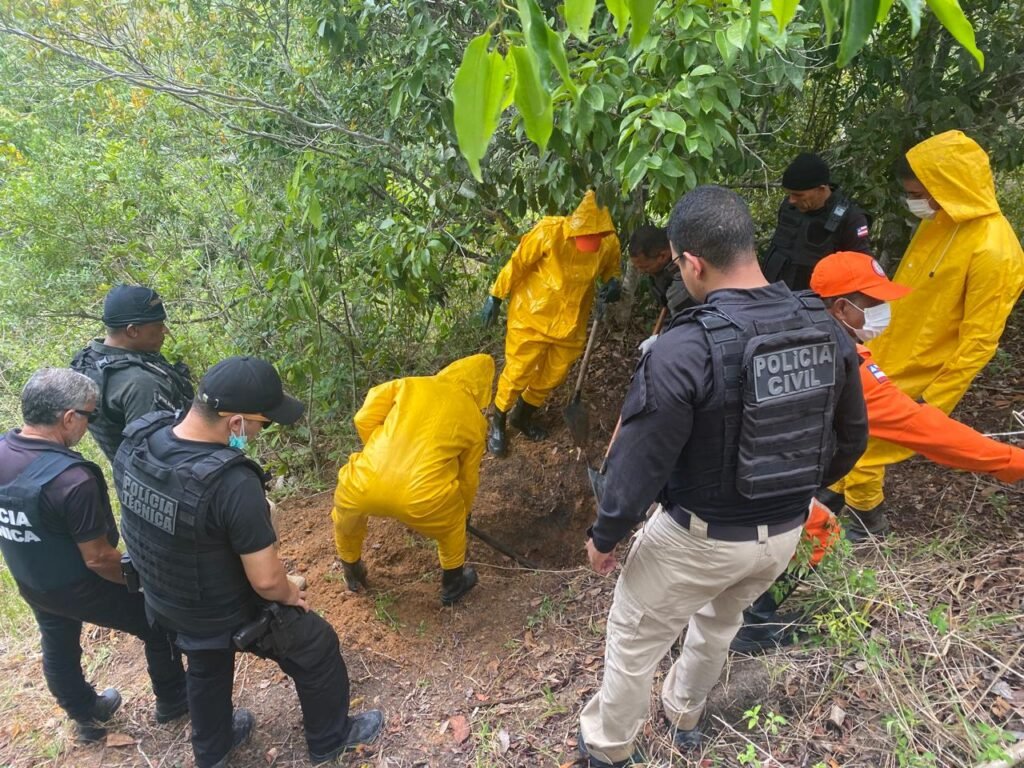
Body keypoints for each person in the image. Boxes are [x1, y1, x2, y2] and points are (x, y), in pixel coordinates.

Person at [577, 185, 868, 767]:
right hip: (782, 534)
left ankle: (608, 749)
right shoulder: (826, 326)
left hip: (698, 537)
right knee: (719, 624)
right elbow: (852, 438)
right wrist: (794, 490)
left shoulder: (682, 350)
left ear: (692, 262)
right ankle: (684, 716)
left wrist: (605, 536)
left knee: (633, 641)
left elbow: (639, 464)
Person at [732, 251, 1024, 652]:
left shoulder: (784, 315)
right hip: (750, 480)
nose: (883, 312)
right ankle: (751, 625)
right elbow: (929, 431)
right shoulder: (845, 364)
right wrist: (1012, 461)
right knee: (820, 529)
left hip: (727, 462)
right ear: (841, 308)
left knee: (812, 504)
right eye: (872, 303)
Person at [113, 356, 382, 768]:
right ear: (235, 422)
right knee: (316, 644)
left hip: (164, 598)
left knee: (205, 661)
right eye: (263, 424)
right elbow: (267, 582)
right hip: (221, 609)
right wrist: (290, 593)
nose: (260, 433)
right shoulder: (231, 482)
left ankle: (213, 751)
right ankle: (331, 741)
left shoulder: (139, 440)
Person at [831, 130, 1024, 538]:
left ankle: (865, 521)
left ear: (949, 186)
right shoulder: (941, 220)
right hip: (886, 347)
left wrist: (936, 401)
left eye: (919, 194)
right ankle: (833, 501)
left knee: (868, 442)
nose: (916, 202)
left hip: (925, 368)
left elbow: (979, 341)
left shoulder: (995, 251)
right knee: (846, 426)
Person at [0, 368, 187, 743]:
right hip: (80, 584)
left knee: (57, 642)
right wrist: (147, 581)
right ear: (69, 418)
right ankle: (174, 701)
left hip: (32, 579)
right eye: (90, 414)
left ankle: (86, 714)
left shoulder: (5, 450)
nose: (90, 423)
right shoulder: (71, 480)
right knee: (157, 623)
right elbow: (99, 559)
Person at [331, 354, 494, 605]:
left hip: (362, 482)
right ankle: (453, 584)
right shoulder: (475, 420)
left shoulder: (410, 385)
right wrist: (464, 512)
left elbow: (362, 418)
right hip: (423, 499)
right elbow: (467, 477)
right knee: (452, 527)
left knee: (346, 520)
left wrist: (378, 452)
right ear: (482, 389)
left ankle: (352, 572)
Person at [481, 190, 622, 457]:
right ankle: (498, 420)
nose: (591, 241)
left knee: (553, 375)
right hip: (532, 315)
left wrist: (613, 283)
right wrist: (495, 295)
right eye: (586, 235)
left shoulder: (608, 243)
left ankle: (522, 416)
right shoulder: (549, 232)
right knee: (518, 371)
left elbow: (611, 270)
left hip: (571, 322)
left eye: (596, 236)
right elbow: (518, 263)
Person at [71, 284, 194, 462]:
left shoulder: (89, 360)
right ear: (132, 331)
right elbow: (158, 459)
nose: (165, 330)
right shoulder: (141, 384)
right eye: (158, 325)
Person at [762, 152, 872, 291]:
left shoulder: (852, 219)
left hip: (814, 299)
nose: (791, 200)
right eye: (789, 193)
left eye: (798, 195)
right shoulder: (789, 207)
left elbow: (862, 268)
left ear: (821, 189)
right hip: (772, 292)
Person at [628, 225, 694, 354]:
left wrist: (660, 339)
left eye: (645, 267)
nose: (641, 272)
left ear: (663, 256)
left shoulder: (686, 274)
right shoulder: (667, 239)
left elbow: (682, 325)